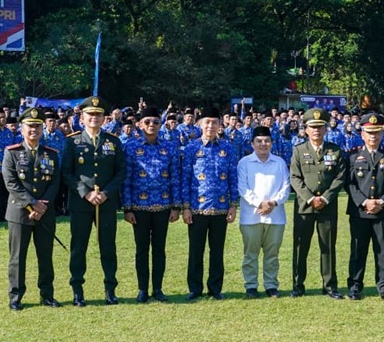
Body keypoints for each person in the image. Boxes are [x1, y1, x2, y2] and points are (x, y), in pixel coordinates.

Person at [62, 96, 127, 307]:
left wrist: (106, 193)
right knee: (78, 248)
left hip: (106, 204)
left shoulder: (113, 141)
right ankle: (77, 290)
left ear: (104, 118)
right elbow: (66, 172)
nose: (94, 118)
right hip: (81, 204)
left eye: (98, 114)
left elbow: (121, 171)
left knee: (108, 248)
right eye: (90, 114)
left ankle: (110, 289)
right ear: (82, 117)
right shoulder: (72, 141)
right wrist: (86, 193)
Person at [2, 109, 61, 311]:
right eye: (30, 126)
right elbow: (11, 183)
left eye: (37, 126)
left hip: (45, 212)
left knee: (45, 256)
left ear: (42, 128)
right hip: (20, 213)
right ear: (22, 129)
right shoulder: (12, 152)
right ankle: (15, 296)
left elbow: (55, 182)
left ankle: (47, 294)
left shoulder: (51, 154)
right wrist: (31, 204)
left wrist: (42, 206)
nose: (34, 129)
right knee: (18, 257)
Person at [122, 107, 181, 303]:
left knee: (159, 250)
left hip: (163, 206)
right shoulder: (131, 146)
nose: (151, 125)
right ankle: (142, 289)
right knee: (141, 250)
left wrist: (176, 207)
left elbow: (175, 178)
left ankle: (158, 288)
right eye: (147, 121)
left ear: (160, 124)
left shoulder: (170, 147)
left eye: (155, 122)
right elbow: (126, 179)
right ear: (140, 124)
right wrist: (127, 208)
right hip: (139, 208)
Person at [180, 107, 238, 301]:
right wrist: (185, 207)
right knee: (196, 250)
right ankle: (195, 288)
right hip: (197, 208)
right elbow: (185, 178)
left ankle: (215, 288)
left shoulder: (227, 148)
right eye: (207, 122)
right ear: (200, 124)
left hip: (221, 208)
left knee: (217, 251)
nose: (210, 126)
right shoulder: (191, 148)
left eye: (214, 122)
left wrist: (233, 204)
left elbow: (233, 177)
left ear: (220, 125)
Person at [289, 108, 347, 299]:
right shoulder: (299, 150)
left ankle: (329, 286)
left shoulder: (335, 150)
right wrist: (310, 198)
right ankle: (298, 285)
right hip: (304, 207)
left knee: (328, 247)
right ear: (306, 129)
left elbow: (340, 177)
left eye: (320, 127)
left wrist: (325, 198)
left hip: (327, 206)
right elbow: (295, 178)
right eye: (312, 127)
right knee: (300, 247)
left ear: (325, 129)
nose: (316, 131)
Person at [345, 113, 384, 300]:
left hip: (382, 211)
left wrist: (381, 202)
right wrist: (364, 202)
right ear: (362, 134)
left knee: (382, 251)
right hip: (359, 211)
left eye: (377, 132)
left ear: (382, 133)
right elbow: (349, 183)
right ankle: (355, 286)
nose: (373, 136)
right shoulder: (353, 155)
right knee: (357, 250)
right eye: (369, 133)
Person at [237, 126, 290, 299]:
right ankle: (251, 286)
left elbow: (286, 188)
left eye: (267, 141)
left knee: (272, 254)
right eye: (259, 141)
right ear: (252, 143)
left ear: (272, 143)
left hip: (275, 216)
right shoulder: (244, 163)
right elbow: (243, 188)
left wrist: (272, 203)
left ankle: (271, 285)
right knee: (250, 254)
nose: (263, 144)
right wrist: (260, 203)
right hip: (251, 216)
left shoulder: (279, 163)